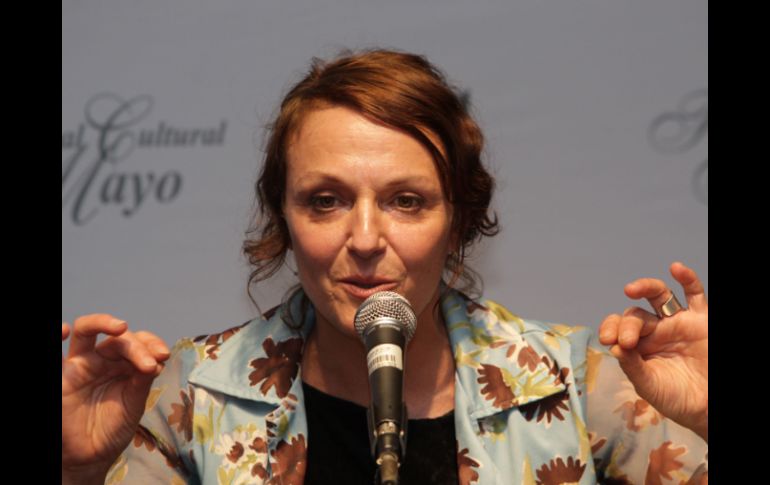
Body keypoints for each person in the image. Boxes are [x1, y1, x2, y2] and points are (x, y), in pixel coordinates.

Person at [62, 48, 708, 485]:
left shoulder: (577, 385)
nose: (366, 238)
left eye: (406, 201)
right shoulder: (191, 394)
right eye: (326, 201)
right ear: (284, 218)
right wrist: (76, 472)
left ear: (457, 222)